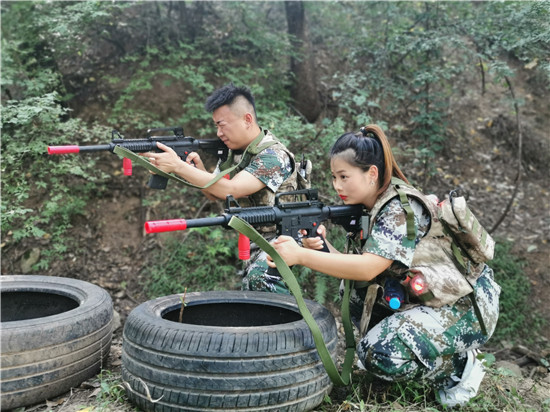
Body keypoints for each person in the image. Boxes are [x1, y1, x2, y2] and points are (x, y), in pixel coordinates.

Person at [266, 124, 501, 406]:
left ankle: (459, 368)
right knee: (353, 293)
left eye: (344, 177)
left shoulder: (399, 208)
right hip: (427, 295)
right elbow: (359, 266)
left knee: (380, 354)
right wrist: (322, 248)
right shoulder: (370, 206)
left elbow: (367, 268)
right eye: (333, 177)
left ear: (372, 173)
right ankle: (401, 347)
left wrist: (300, 256)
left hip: (466, 305)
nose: (337, 186)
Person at [144, 83, 298, 293]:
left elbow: (231, 189)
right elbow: (213, 193)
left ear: (247, 119)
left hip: (284, 240)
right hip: (256, 240)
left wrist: (178, 166)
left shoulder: (273, 156)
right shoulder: (235, 153)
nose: (218, 133)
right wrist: (193, 168)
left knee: (260, 281)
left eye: (222, 125)